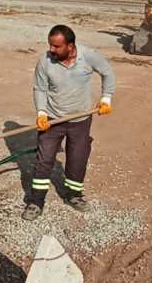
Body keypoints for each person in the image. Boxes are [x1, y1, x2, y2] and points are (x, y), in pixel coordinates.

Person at [22, 24, 116, 221]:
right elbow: (39, 88)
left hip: (80, 120)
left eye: (56, 46)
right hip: (52, 119)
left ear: (70, 46)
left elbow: (108, 72)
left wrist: (106, 97)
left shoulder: (88, 56)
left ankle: (73, 195)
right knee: (44, 160)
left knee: (77, 158)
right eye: (50, 45)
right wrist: (41, 112)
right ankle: (36, 201)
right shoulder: (45, 61)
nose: (51, 50)